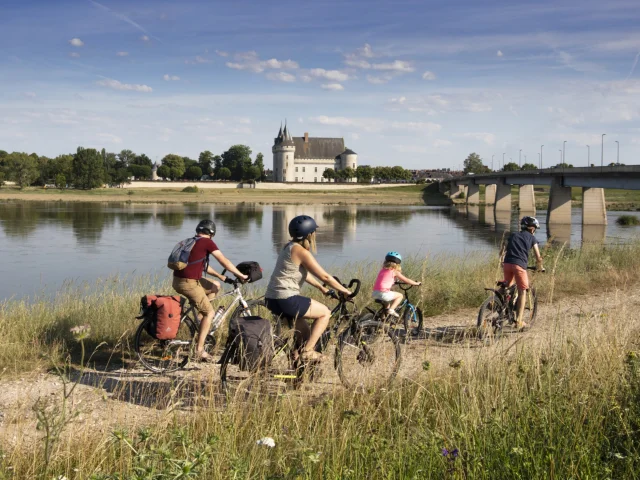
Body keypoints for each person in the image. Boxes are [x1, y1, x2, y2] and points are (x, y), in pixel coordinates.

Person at [265, 215, 352, 363]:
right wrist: (345, 291)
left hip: (272, 299)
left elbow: (301, 273)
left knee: (304, 334)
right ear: (309, 234)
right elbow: (325, 277)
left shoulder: (288, 247)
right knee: (325, 313)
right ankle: (308, 351)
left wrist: (320, 288)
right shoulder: (301, 252)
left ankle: (297, 367)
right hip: (287, 299)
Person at [172, 219, 248, 362]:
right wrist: (240, 274)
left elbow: (202, 266)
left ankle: (200, 325)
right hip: (189, 283)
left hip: (179, 281)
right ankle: (199, 351)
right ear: (211, 233)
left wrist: (220, 276)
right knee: (210, 313)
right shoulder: (207, 242)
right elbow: (223, 260)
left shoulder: (191, 241)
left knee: (215, 286)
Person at [500, 216, 545, 329]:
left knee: (507, 286)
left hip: (507, 264)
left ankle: (497, 304)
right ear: (532, 229)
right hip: (519, 266)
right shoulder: (532, 238)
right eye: (535, 228)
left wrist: (502, 259)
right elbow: (538, 256)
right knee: (522, 291)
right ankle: (519, 321)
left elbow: (503, 249)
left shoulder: (513, 235)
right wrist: (540, 267)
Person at [372, 251, 421, 318]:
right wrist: (416, 283)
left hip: (375, 293)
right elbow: (407, 280)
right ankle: (392, 310)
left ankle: (382, 321)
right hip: (384, 294)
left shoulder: (382, 270)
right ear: (398, 264)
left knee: (387, 306)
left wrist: (394, 282)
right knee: (400, 296)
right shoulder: (395, 271)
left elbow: (385, 280)